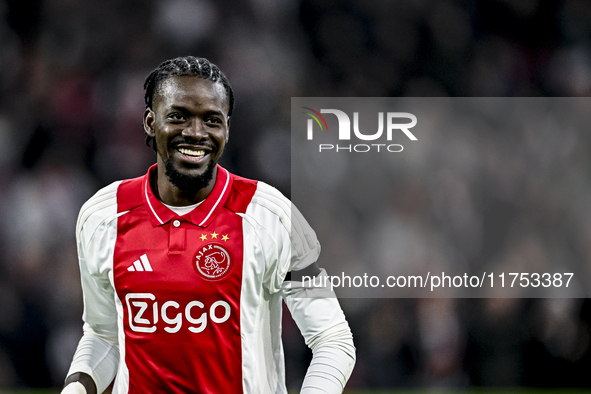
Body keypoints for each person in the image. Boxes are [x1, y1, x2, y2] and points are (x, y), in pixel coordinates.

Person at [61, 56, 355, 394]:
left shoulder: (272, 216)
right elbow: (104, 334)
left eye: (211, 120)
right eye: (178, 116)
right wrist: (77, 388)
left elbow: (332, 339)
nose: (196, 133)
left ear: (227, 129)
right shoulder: (103, 216)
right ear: (149, 122)